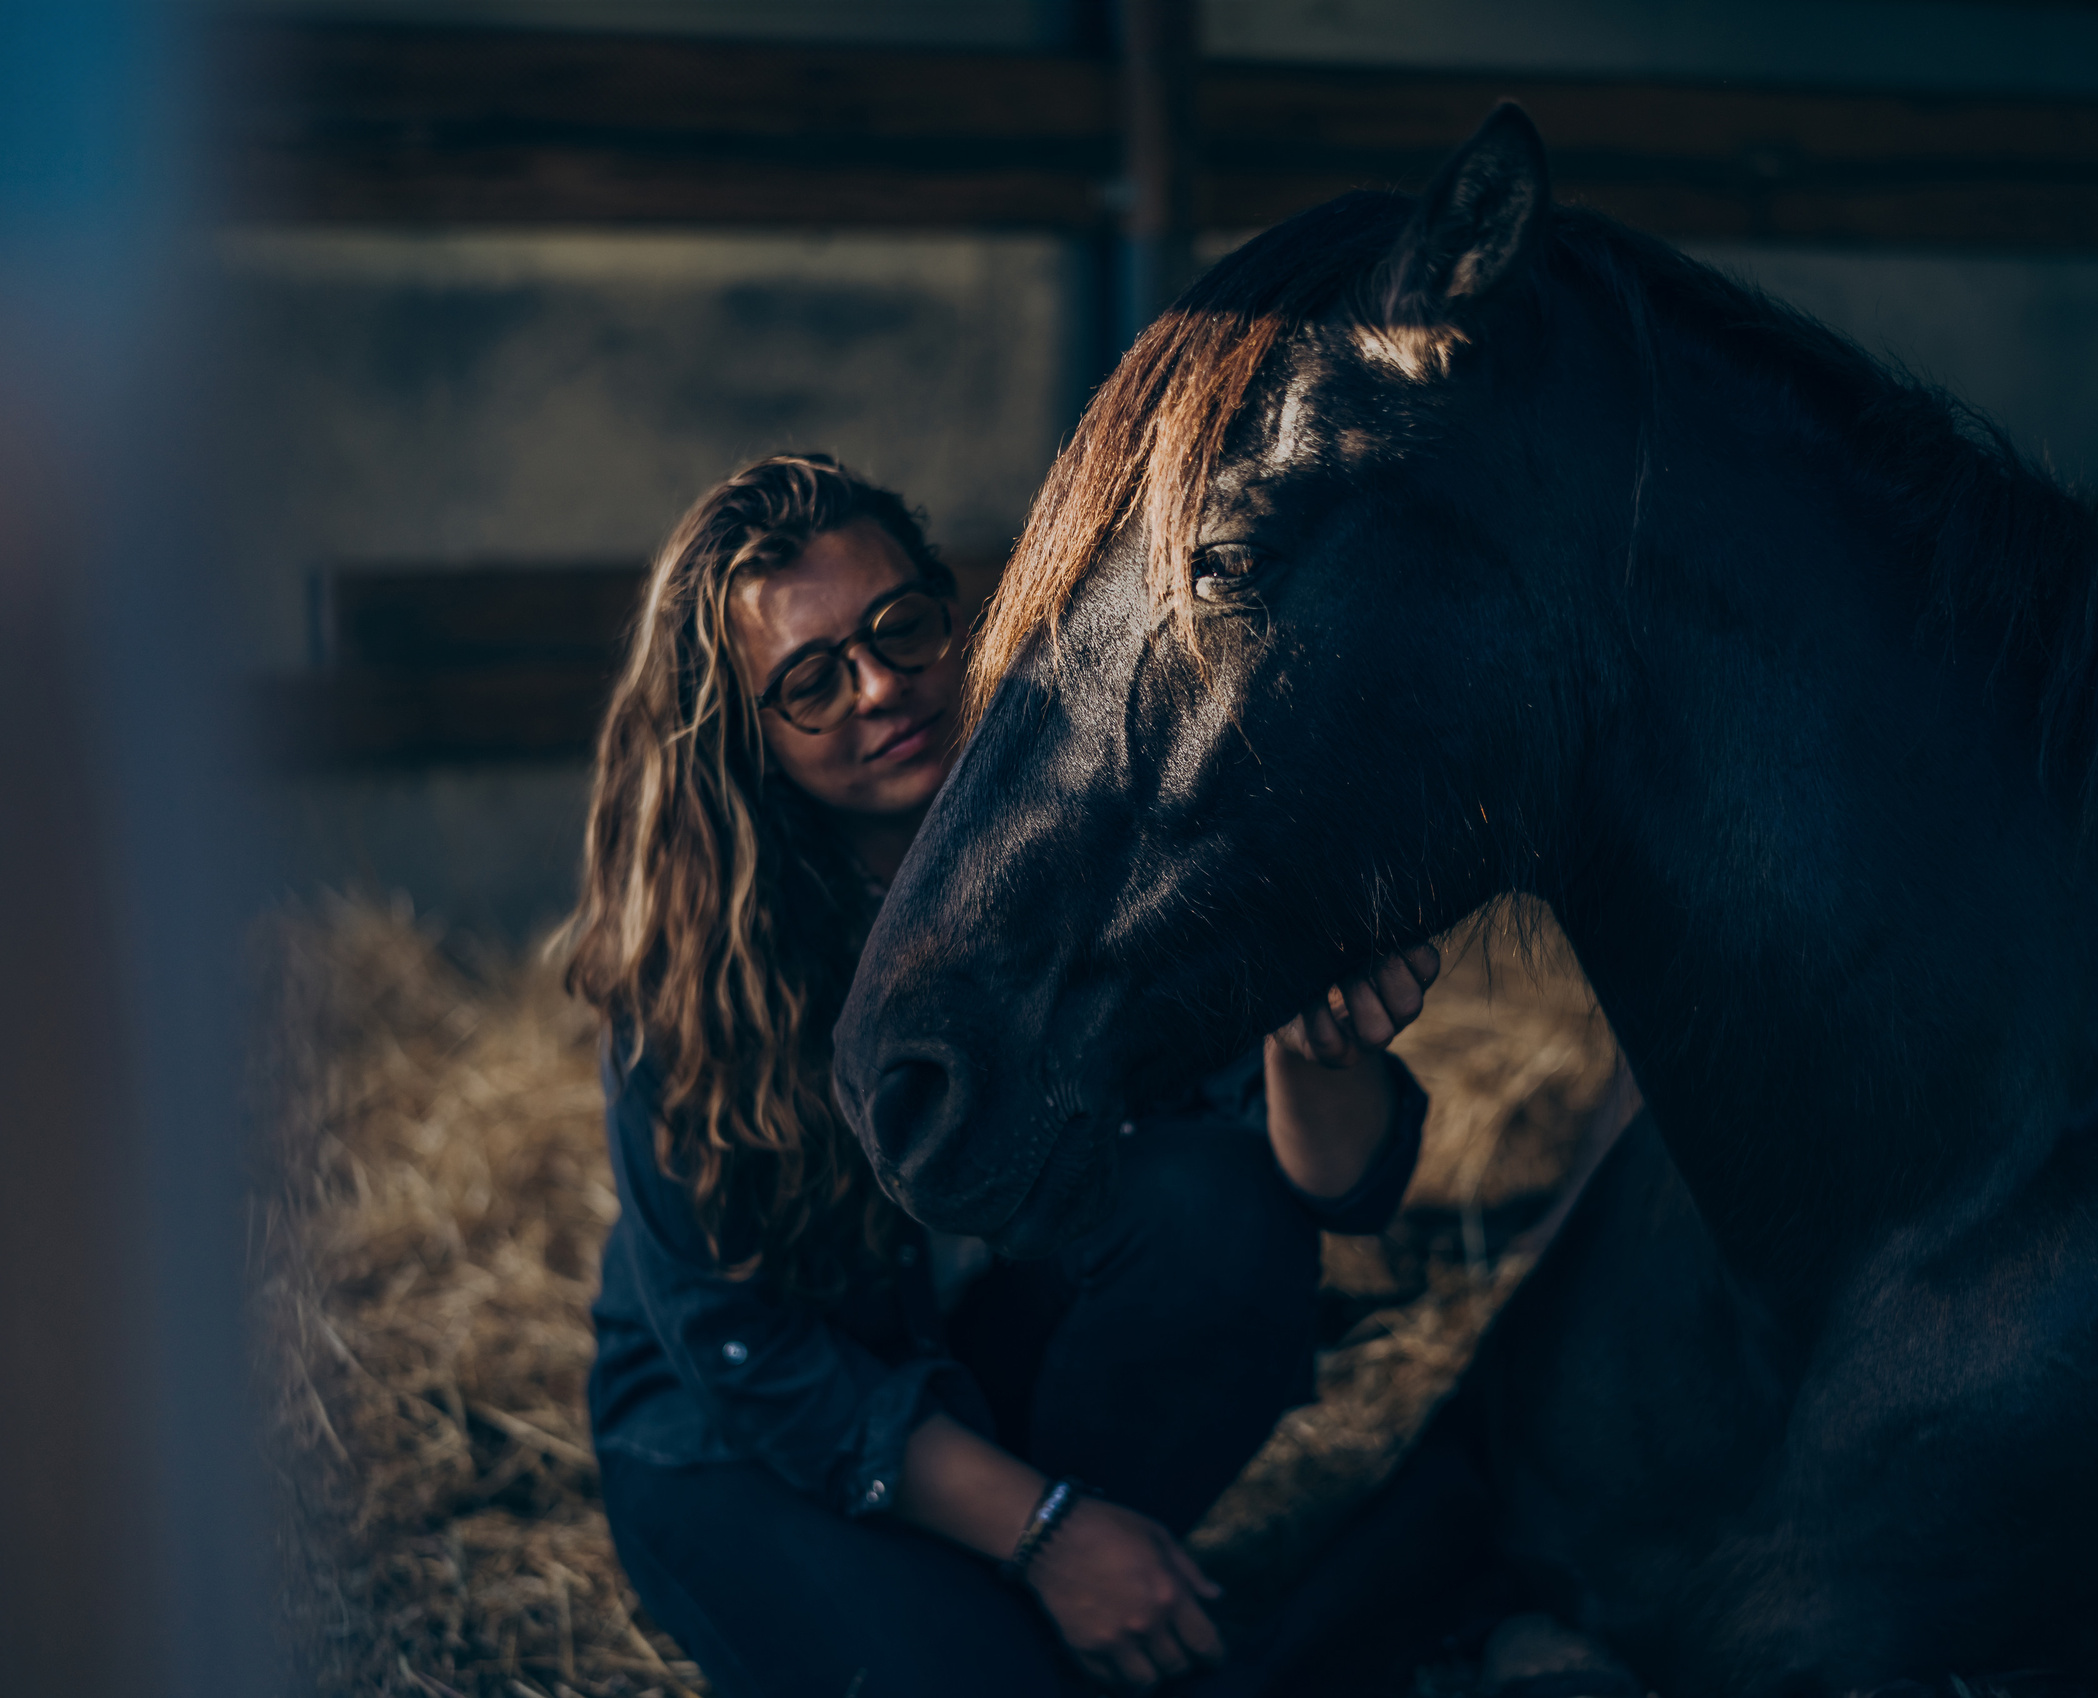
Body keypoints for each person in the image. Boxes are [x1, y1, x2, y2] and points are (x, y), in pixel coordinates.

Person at [561, 453, 1440, 1698]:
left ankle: (1020, 1617)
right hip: (748, 1437)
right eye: (811, 680)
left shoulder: (1108, 833)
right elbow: (736, 1338)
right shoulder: (703, 952)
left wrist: (1316, 1045)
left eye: (899, 625)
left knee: (1215, 1212)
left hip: (987, 1367)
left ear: (955, 606)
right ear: (746, 738)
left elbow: (1330, 1189)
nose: (881, 687)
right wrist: (1048, 1534)